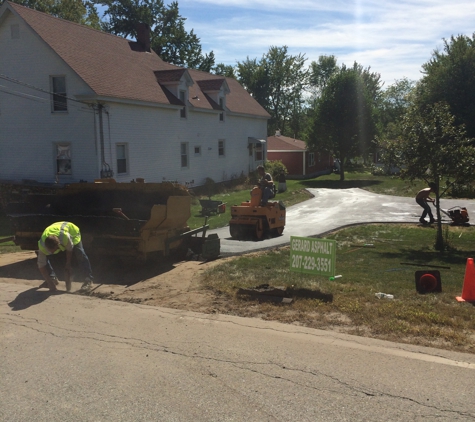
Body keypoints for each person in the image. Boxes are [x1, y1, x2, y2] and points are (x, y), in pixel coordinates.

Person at [37, 221, 94, 292]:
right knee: (44, 259)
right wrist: (49, 283)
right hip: (55, 228)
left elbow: (69, 250)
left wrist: (68, 264)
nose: (52, 253)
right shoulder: (42, 246)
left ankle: (88, 280)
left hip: (73, 232)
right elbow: (41, 265)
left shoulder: (65, 237)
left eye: (54, 250)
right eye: (50, 250)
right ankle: (52, 278)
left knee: (80, 253)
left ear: (58, 245)